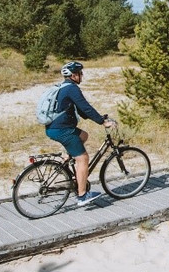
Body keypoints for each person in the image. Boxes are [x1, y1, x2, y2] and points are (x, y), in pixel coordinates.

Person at [45, 61, 116, 207]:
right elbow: (86, 107)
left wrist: (100, 118)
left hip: (54, 127)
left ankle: (68, 157)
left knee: (83, 135)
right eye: (80, 73)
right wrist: (102, 122)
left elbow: (82, 111)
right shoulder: (72, 89)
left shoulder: (64, 87)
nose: (82, 75)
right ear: (74, 75)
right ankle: (82, 196)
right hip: (62, 130)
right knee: (83, 159)